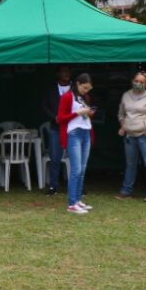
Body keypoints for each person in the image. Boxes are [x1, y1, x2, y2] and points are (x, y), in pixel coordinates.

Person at [116, 71, 146, 202]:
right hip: (129, 136)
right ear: (132, 81)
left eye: (141, 82)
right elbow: (121, 115)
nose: (138, 84)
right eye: (136, 81)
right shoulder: (126, 95)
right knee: (130, 164)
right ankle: (126, 191)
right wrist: (123, 127)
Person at [57, 73, 95, 214]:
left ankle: (78, 200)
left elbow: (84, 114)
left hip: (86, 132)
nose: (86, 91)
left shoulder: (84, 97)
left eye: (88, 88)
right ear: (78, 84)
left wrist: (88, 113)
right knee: (76, 170)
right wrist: (78, 113)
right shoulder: (67, 96)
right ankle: (72, 203)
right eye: (85, 88)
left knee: (82, 169)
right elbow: (60, 118)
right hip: (74, 133)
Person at [40, 65, 73, 195]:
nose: (67, 73)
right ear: (57, 74)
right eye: (64, 71)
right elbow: (44, 106)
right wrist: (54, 117)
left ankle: (77, 187)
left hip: (72, 128)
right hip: (56, 128)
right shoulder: (51, 90)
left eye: (68, 71)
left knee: (75, 158)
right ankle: (53, 186)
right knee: (55, 158)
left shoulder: (75, 88)